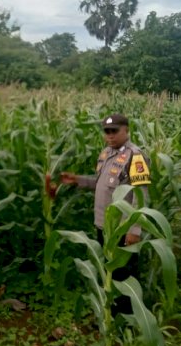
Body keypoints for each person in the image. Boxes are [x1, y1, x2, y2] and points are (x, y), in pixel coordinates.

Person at [60, 113, 151, 315]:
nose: (110, 135)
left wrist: (134, 228)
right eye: (107, 131)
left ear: (126, 131)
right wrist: (77, 180)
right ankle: (112, 313)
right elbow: (100, 184)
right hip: (103, 224)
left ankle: (129, 317)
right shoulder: (106, 154)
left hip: (122, 227)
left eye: (115, 131)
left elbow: (140, 194)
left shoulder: (136, 156)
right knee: (110, 271)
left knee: (125, 274)